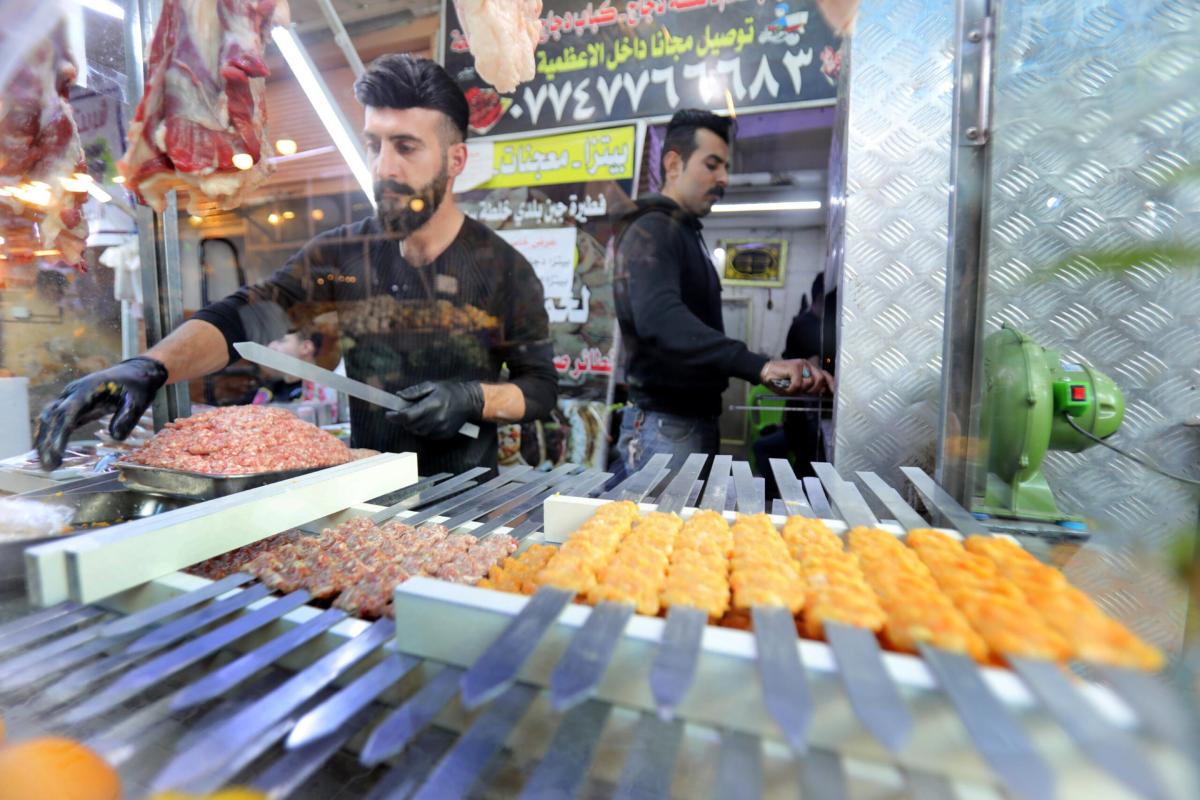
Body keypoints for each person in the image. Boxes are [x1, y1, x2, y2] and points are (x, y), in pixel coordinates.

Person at [35, 55, 557, 475]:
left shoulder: (504, 269)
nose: (383, 168)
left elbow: (539, 389)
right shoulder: (340, 256)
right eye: (374, 145)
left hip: (466, 501)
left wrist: (473, 397)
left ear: (456, 161)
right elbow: (246, 317)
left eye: (406, 147)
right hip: (363, 491)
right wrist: (150, 367)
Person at [611, 109, 832, 474]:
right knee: (660, 532)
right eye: (712, 165)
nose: (724, 179)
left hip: (687, 423)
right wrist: (758, 366)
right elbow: (661, 320)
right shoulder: (652, 228)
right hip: (666, 427)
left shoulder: (684, 233)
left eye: (725, 167)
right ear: (673, 163)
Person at [754, 274, 837, 492]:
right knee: (806, 473)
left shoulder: (806, 323)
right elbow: (813, 373)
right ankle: (775, 498)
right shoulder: (808, 326)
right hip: (805, 420)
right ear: (821, 297)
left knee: (805, 470)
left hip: (801, 418)